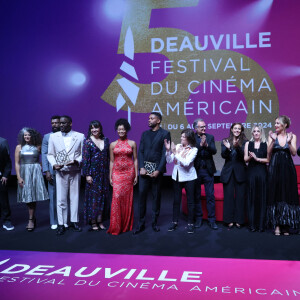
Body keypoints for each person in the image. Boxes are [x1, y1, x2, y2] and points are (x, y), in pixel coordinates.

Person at [133, 112, 171, 234]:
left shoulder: (165, 134)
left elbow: (165, 153)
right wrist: (141, 168)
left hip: (156, 171)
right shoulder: (145, 134)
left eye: (152, 118)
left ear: (158, 121)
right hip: (144, 171)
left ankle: (154, 223)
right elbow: (141, 152)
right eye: (149, 118)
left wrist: (159, 170)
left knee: (156, 197)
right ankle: (141, 223)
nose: (149, 120)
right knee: (142, 197)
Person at [47, 116, 84, 235]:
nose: (61, 125)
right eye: (60, 123)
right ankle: (61, 224)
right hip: (61, 172)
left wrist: (77, 161)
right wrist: (54, 165)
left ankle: (74, 221)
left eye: (64, 123)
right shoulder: (53, 136)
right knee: (61, 199)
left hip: (74, 171)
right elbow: (50, 154)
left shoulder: (80, 136)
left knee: (74, 197)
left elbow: (83, 154)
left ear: (70, 124)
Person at [266, 115, 300, 235]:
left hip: (287, 168)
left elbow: (294, 153)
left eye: (278, 123)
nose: (275, 125)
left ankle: (286, 225)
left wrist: (290, 142)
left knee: (287, 195)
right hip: (275, 168)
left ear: (284, 125)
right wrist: (273, 140)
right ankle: (277, 226)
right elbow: (268, 154)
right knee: (276, 195)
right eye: (275, 123)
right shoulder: (272, 136)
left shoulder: (292, 136)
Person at [15, 128, 49, 231]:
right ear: (23, 136)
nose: (27, 137)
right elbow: (17, 163)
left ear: (32, 136)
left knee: (33, 196)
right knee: (27, 195)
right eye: (25, 135)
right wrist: (18, 177)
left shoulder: (38, 147)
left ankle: (30, 219)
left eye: (29, 135)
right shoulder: (19, 147)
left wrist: (41, 166)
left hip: (35, 172)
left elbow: (45, 157)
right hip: (24, 172)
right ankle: (32, 217)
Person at [107, 119, 138, 235]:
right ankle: (116, 225)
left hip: (129, 173)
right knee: (117, 196)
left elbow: (135, 159)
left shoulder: (132, 143)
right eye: (119, 129)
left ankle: (126, 224)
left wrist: (136, 175)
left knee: (127, 198)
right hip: (117, 173)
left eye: (123, 129)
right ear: (117, 130)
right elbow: (111, 161)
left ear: (126, 130)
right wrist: (110, 176)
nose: (121, 131)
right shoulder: (112, 144)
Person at [165, 129, 198, 234]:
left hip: (189, 177)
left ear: (189, 138)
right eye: (181, 136)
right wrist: (168, 151)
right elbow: (169, 160)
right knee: (176, 200)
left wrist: (175, 153)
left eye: (183, 137)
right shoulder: (178, 146)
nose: (181, 138)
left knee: (191, 201)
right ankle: (174, 222)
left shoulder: (194, 149)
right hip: (177, 177)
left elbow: (187, 162)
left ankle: (191, 223)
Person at [82, 120, 109, 231]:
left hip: (104, 173)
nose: (94, 130)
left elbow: (108, 157)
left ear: (100, 129)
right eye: (92, 128)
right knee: (94, 199)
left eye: (96, 128)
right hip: (93, 174)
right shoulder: (88, 142)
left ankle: (100, 220)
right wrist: (87, 174)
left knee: (103, 198)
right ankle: (93, 221)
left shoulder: (106, 140)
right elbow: (85, 160)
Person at [220, 123, 248, 229]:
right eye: (235, 128)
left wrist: (238, 147)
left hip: (241, 172)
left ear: (241, 130)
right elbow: (223, 155)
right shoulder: (226, 140)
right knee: (228, 197)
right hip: (228, 173)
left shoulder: (245, 142)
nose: (237, 130)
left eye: (239, 129)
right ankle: (229, 220)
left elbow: (244, 157)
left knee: (240, 197)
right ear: (231, 129)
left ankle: (239, 220)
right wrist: (228, 148)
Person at [193, 118, 218, 230]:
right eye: (201, 127)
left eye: (204, 126)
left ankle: (212, 220)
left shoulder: (210, 137)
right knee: (196, 195)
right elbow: (191, 150)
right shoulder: (192, 137)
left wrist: (206, 144)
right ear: (195, 128)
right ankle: (198, 218)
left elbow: (214, 151)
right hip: (196, 170)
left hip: (208, 170)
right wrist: (200, 144)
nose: (204, 128)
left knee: (210, 196)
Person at [244, 125, 269, 232]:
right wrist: (251, 157)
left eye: (258, 131)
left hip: (262, 172)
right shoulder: (248, 144)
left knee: (262, 197)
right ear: (252, 133)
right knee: (251, 197)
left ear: (261, 132)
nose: (256, 133)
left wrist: (257, 158)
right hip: (251, 173)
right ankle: (252, 224)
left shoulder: (266, 143)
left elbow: (268, 160)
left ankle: (261, 224)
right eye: (254, 131)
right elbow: (245, 159)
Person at [41, 115, 60, 230]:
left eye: (57, 123)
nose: (55, 125)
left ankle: (64, 220)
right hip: (52, 171)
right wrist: (46, 170)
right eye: (52, 123)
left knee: (64, 197)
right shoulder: (47, 137)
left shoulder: (66, 136)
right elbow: (44, 154)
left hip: (65, 171)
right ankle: (54, 221)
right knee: (52, 197)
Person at [0, 137, 14, 231]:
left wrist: (5, 175)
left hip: (1, 178)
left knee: (3, 200)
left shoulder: (2, 142)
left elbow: (8, 162)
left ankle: (6, 221)